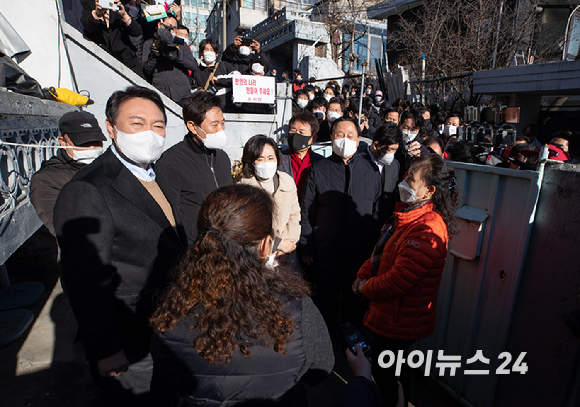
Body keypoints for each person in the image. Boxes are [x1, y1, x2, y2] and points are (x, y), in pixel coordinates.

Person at [54, 86, 187, 400]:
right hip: (131, 338)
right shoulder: (88, 189)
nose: (150, 134)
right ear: (111, 128)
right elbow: (85, 280)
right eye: (137, 124)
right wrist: (107, 348)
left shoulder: (156, 174)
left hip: (169, 327)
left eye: (158, 125)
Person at [150, 184, 334, 406]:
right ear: (267, 245)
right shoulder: (297, 310)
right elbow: (320, 370)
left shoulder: (171, 315)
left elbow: (165, 381)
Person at [353, 154, 460, 407]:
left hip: (401, 319)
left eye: (411, 179)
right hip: (391, 315)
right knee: (387, 371)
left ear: (429, 191)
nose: (404, 182)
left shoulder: (427, 228)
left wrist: (364, 287)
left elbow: (397, 281)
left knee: (390, 375)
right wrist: (362, 275)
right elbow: (382, 253)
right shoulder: (410, 216)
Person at [300, 117, 382, 338]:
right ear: (331, 138)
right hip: (325, 250)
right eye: (339, 135)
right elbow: (307, 210)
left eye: (350, 136)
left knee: (354, 306)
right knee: (324, 303)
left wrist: (374, 252)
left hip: (359, 254)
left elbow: (375, 213)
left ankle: (351, 346)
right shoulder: (318, 170)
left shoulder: (371, 171)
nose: (344, 140)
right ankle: (324, 347)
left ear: (358, 141)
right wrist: (306, 246)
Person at [155, 91, 232, 245]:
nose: (220, 130)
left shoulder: (222, 157)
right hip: (194, 250)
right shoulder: (170, 163)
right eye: (214, 125)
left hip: (226, 245)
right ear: (193, 126)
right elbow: (169, 216)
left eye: (222, 123)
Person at [30, 111, 106, 237]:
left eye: (97, 141)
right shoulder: (46, 179)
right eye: (84, 143)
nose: (92, 148)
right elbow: (65, 229)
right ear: (63, 143)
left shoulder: (109, 165)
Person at [239, 135, 301, 266]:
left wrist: (286, 248)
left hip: (285, 255)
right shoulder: (243, 189)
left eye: (270, 158)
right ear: (251, 162)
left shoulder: (287, 181)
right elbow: (247, 228)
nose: (266, 163)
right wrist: (277, 244)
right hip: (255, 257)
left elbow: (294, 216)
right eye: (260, 159)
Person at [142, 14, 198, 105]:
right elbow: (146, 69)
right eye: (168, 26)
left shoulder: (181, 44)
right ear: (160, 25)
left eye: (174, 28)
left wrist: (178, 57)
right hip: (161, 93)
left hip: (182, 92)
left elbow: (193, 66)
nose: (171, 30)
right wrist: (155, 54)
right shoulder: (149, 44)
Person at [81, 0, 143, 77]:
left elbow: (136, 32)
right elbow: (87, 26)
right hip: (101, 62)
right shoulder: (88, 4)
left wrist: (124, 15)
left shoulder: (116, 5)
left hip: (126, 61)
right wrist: (96, 13)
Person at [360, 124, 402, 220]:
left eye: (395, 150)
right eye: (389, 149)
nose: (391, 154)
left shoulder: (395, 165)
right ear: (376, 145)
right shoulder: (358, 161)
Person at [279, 111, 324, 197]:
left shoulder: (320, 162)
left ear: (313, 138)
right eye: (293, 130)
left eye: (301, 132)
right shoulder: (278, 159)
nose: (296, 135)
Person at [191, 39, 236, 106]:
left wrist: (219, 80)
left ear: (216, 53)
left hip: (225, 106)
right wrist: (199, 91)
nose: (209, 52)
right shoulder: (197, 70)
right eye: (206, 49)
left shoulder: (225, 66)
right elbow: (192, 88)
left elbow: (237, 79)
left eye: (212, 50)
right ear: (201, 52)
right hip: (206, 106)